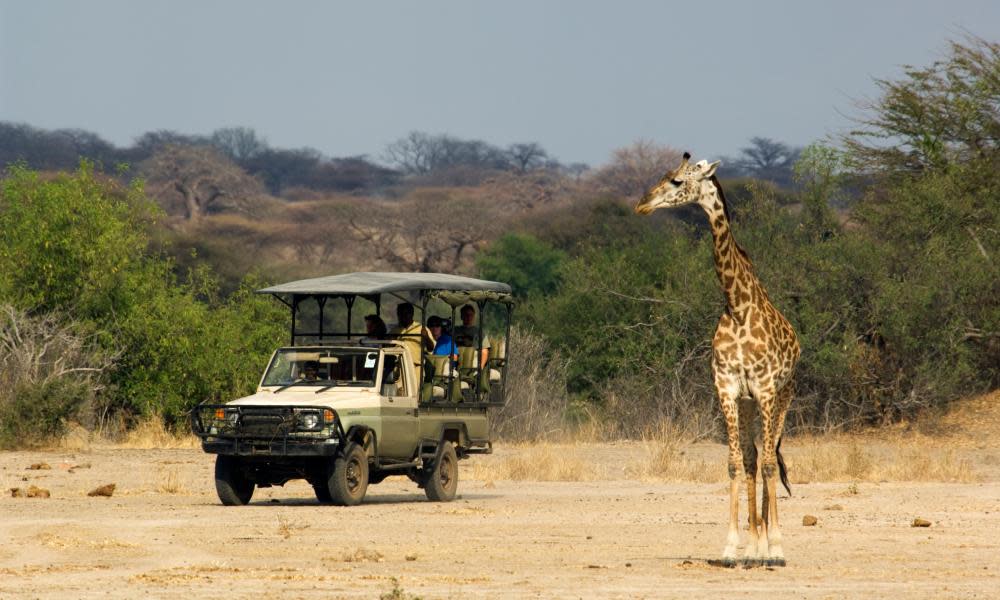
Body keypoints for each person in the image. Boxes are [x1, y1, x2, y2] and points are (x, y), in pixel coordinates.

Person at [389, 302, 435, 369]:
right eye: (400, 314)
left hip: (415, 367)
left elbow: (430, 348)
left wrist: (426, 337)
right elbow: (387, 347)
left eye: (405, 314)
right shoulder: (395, 330)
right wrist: (391, 340)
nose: (402, 317)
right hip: (398, 367)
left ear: (411, 314)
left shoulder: (421, 328)